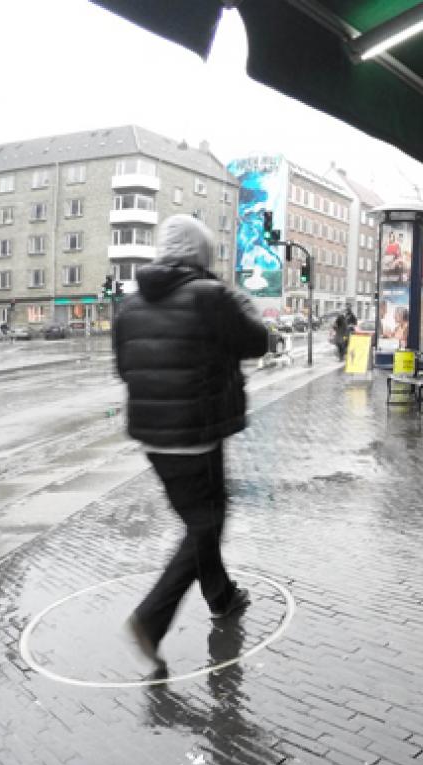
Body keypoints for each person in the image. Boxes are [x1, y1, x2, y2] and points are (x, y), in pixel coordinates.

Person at [113, 214, 269, 665]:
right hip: (197, 434)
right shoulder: (211, 296)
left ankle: (222, 597)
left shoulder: (129, 304)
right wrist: (237, 300)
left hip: (154, 438)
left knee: (202, 519)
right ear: (201, 253)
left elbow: (124, 369)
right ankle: (150, 619)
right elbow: (257, 342)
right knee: (205, 525)